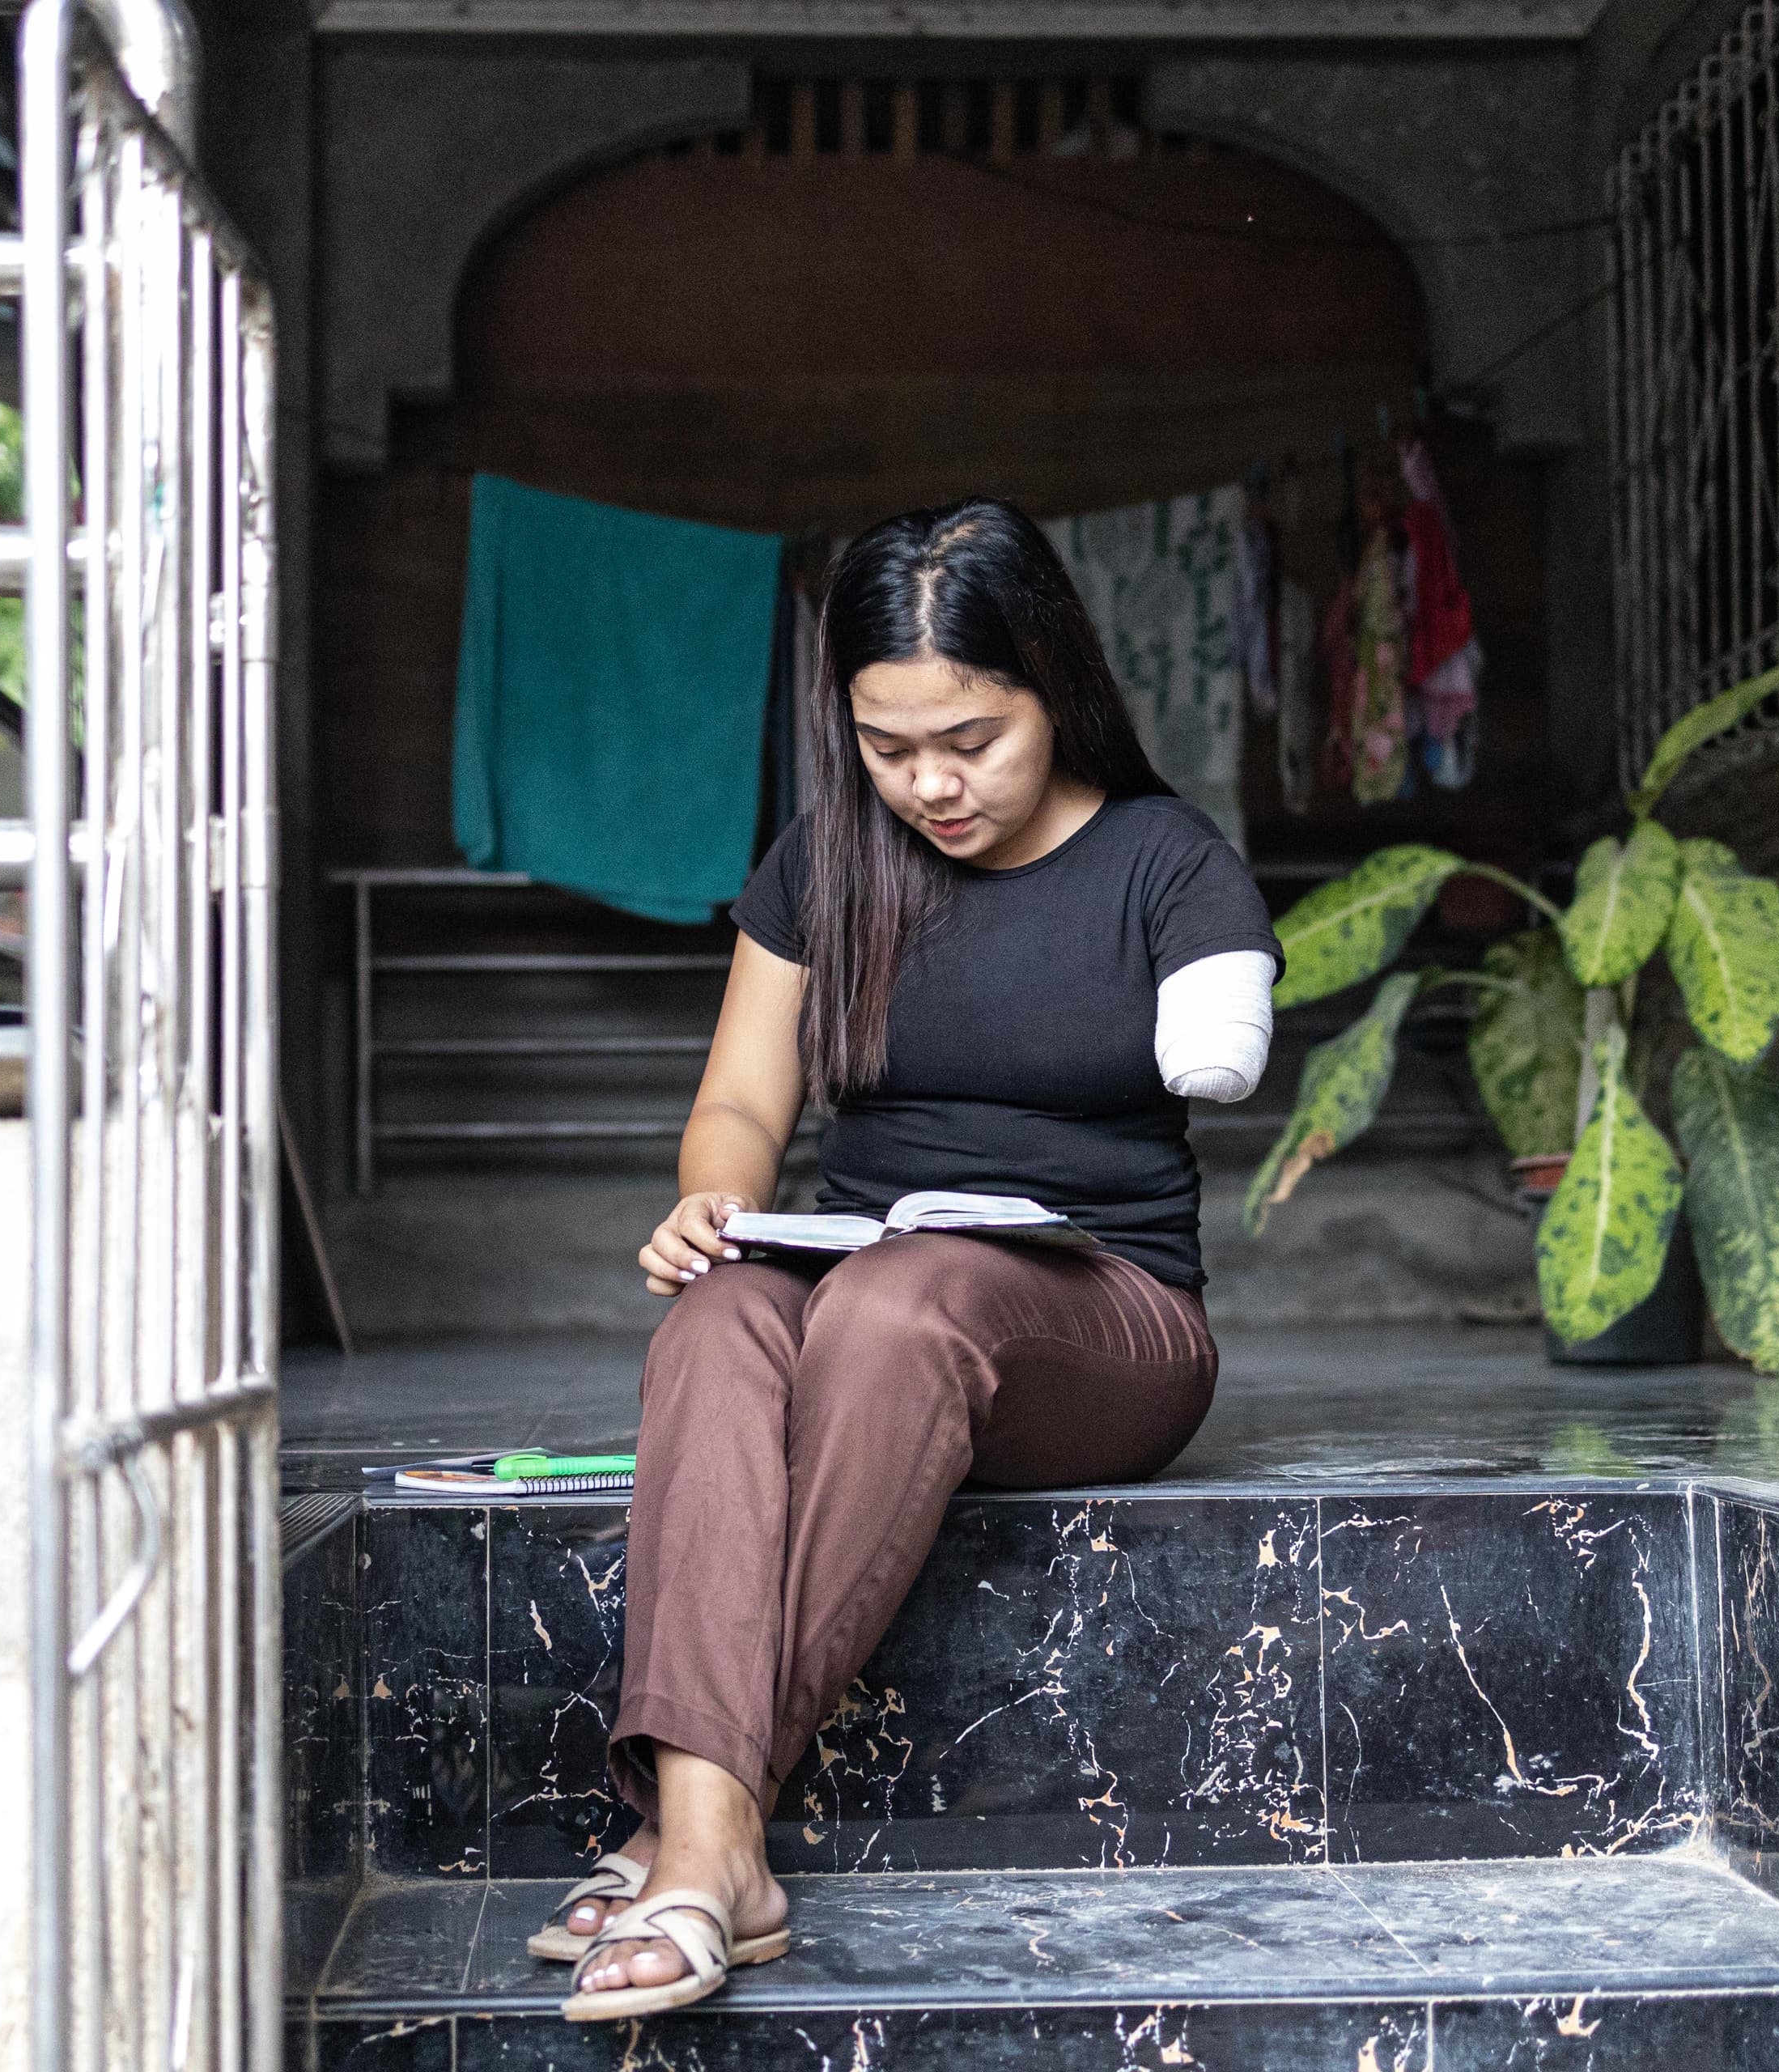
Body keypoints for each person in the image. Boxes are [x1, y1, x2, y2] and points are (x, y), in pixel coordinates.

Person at [546, 497, 1282, 2022]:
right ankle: (714, 1856)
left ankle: (691, 1835)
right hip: (861, 1274)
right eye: (890, 749)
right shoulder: (827, 860)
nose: (931, 785)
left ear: (1052, 694)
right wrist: (715, 1203)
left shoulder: (1162, 859)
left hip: (1103, 1320)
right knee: (722, 1314)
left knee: (900, 1299)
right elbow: (745, 1097)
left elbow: (1223, 1042)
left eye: (971, 739)